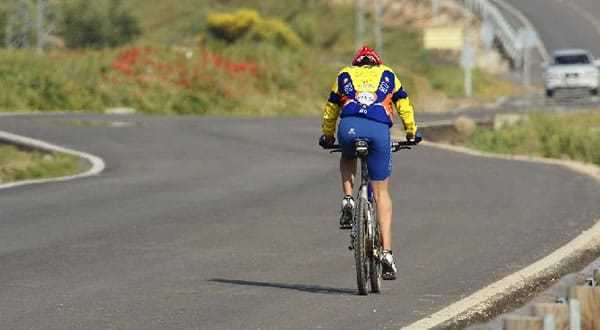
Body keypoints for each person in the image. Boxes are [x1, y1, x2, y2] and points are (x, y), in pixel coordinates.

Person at [318, 45, 420, 280]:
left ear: (357, 63)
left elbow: (331, 109)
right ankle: (387, 253)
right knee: (382, 193)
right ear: (376, 63)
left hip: (349, 127)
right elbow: (404, 104)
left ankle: (347, 199)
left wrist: (327, 135)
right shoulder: (388, 74)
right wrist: (412, 132)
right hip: (378, 130)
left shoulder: (344, 75)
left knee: (347, 154)